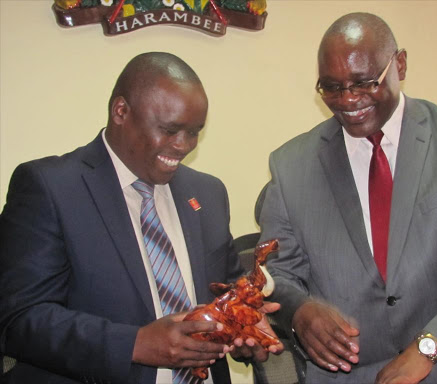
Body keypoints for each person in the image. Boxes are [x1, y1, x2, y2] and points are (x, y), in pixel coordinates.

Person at [258, 12, 437, 384]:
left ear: (401, 64)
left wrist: (430, 346)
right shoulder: (291, 166)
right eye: (331, 87)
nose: (348, 100)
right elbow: (276, 275)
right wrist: (299, 312)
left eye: (364, 83)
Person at [0, 52, 281, 384]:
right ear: (121, 111)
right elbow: (18, 319)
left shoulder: (207, 192)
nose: (184, 145)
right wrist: (134, 344)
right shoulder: (50, 187)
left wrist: (240, 329)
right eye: (170, 129)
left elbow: (226, 288)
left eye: (194, 132)